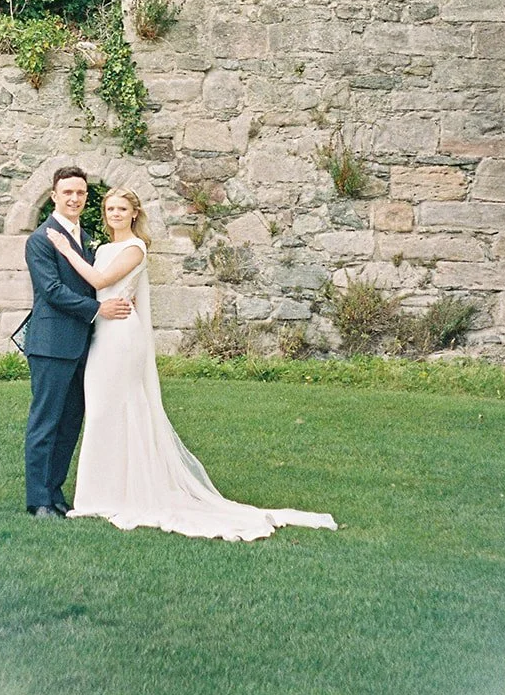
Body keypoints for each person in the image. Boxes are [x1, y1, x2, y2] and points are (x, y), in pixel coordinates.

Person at [46, 185, 337, 541]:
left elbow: (100, 280)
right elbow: (107, 291)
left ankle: (111, 494)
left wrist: (63, 249)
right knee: (104, 410)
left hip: (121, 337)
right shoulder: (103, 247)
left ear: (134, 214)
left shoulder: (135, 247)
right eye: (110, 209)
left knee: (119, 407)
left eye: (122, 209)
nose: (115, 214)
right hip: (104, 332)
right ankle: (105, 491)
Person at [22, 165, 131, 518]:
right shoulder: (41, 239)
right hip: (51, 344)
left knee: (70, 422)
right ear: (54, 195)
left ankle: (55, 494)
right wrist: (99, 309)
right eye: (67, 192)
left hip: (82, 344)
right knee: (45, 422)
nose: (74, 198)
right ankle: (38, 500)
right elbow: (51, 291)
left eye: (80, 193)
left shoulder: (83, 236)